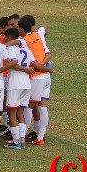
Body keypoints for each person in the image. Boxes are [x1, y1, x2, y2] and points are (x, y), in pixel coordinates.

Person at [19, 15, 52, 146]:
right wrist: (44, 66)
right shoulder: (38, 36)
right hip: (46, 77)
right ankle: (40, 137)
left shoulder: (24, 41)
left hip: (36, 76)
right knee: (42, 104)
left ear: (21, 30)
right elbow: (48, 54)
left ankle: (21, 137)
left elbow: (33, 62)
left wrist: (41, 67)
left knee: (29, 106)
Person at [2, 28, 35, 150]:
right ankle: (21, 140)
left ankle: (16, 141)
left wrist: (25, 69)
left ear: (9, 37)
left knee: (12, 113)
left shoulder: (10, 48)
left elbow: (13, 65)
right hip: (26, 83)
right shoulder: (26, 49)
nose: (4, 38)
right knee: (20, 112)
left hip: (15, 84)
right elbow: (33, 62)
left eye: (5, 36)